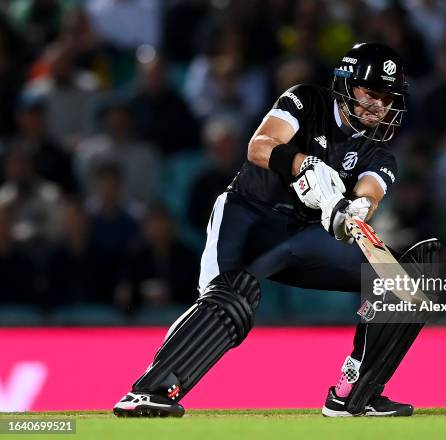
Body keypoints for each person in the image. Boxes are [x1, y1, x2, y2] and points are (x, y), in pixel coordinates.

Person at [113, 43, 426, 418]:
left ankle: (354, 394)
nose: (379, 106)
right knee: (232, 300)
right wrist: (302, 164)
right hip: (249, 217)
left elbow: (370, 190)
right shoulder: (307, 100)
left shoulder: (379, 152)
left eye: (388, 98)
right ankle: (149, 391)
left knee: (404, 285)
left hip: (303, 237)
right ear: (345, 84)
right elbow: (259, 146)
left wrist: (358, 208)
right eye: (371, 93)